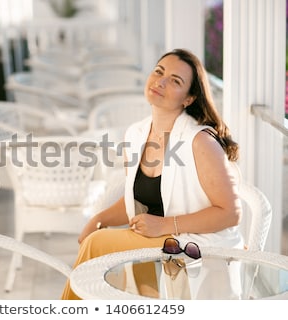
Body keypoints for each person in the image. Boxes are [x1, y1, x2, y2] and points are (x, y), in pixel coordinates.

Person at [61, 48, 243, 300]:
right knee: (97, 240)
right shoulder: (136, 134)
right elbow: (136, 199)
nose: (161, 81)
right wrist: (100, 218)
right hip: (158, 241)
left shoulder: (199, 142)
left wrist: (166, 225)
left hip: (197, 243)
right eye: (159, 71)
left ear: (188, 99)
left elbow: (230, 213)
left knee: (97, 245)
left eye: (175, 81)